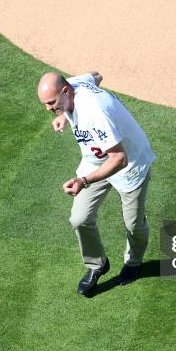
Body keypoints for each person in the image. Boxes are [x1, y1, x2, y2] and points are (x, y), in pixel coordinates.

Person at [37, 71, 155, 297]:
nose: (48, 109)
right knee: (79, 218)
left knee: (133, 224)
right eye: (46, 104)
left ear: (65, 91)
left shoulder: (95, 112)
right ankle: (96, 264)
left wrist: (84, 180)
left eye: (51, 103)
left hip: (130, 163)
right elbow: (95, 75)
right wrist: (63, 112)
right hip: (96, 159)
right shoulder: (73, 85)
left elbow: (119, 159)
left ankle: (133, 263)